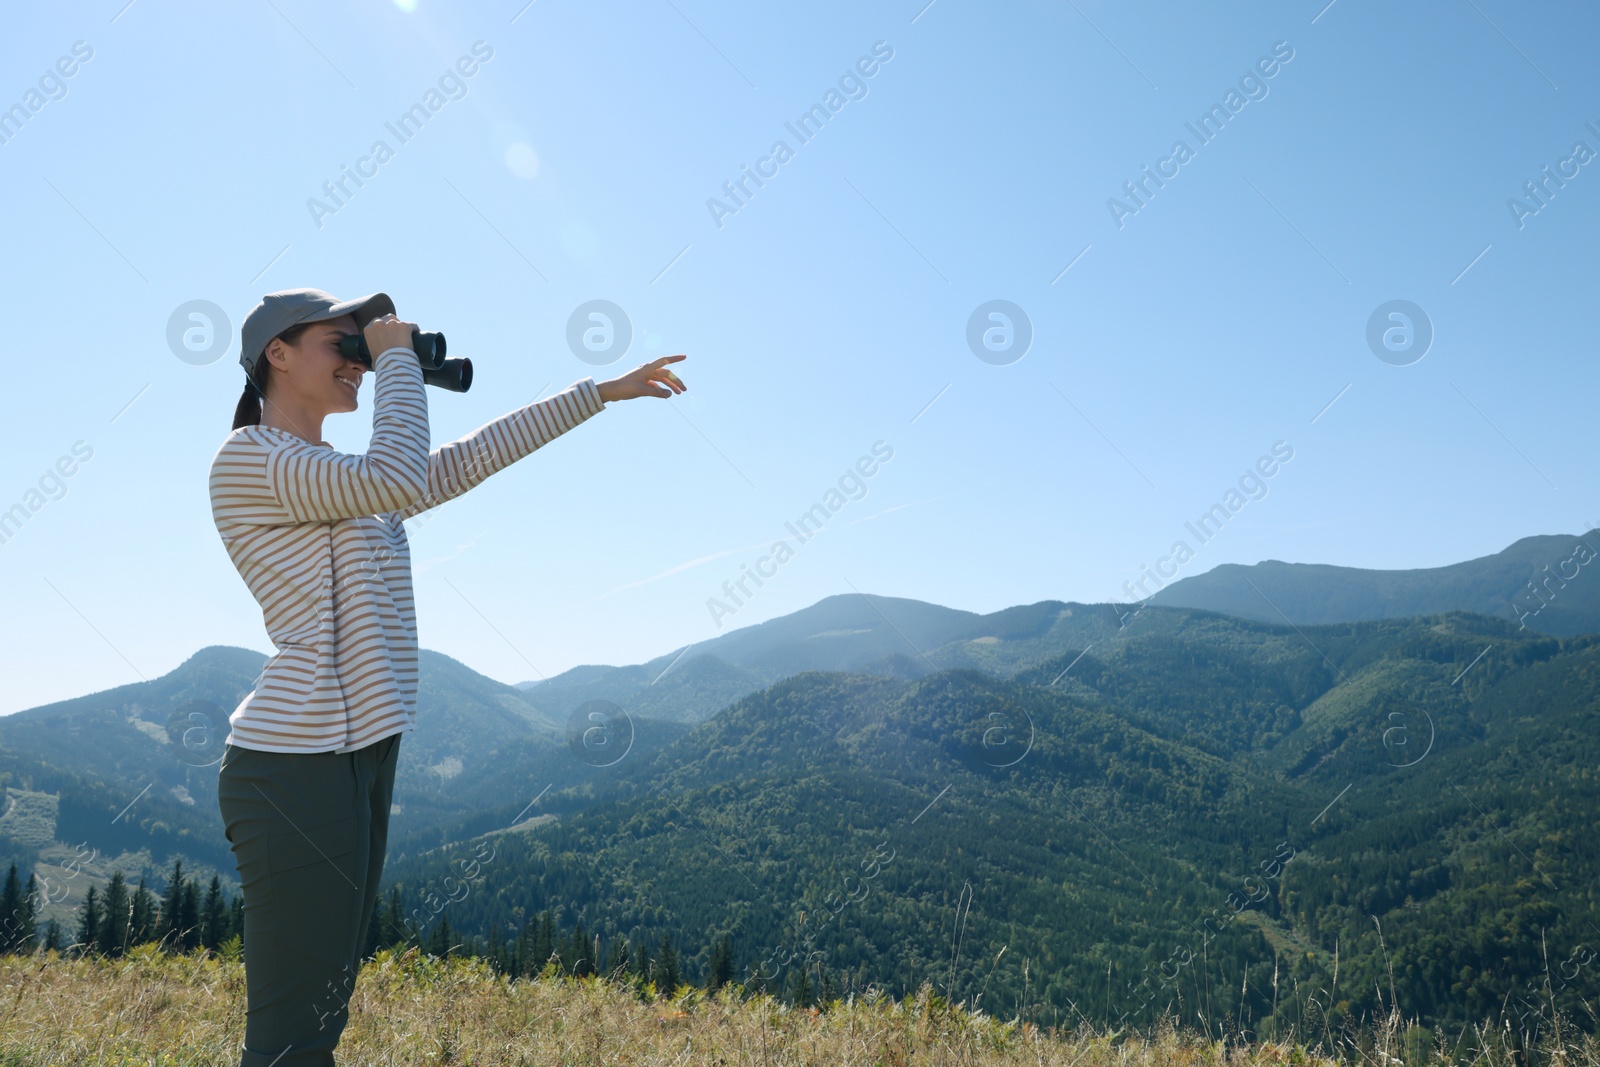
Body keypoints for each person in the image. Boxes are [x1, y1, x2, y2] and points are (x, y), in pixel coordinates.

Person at [208, 287, 685, 1065]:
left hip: (360, 756)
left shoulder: (335, 475)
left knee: (322, 1010)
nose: (358, 362)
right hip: (293, 769)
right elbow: (399, 473)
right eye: (344, 343)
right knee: (292, 1035)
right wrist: (396, 357)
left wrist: (598, 393)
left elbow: (462, 460)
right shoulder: (250, 460)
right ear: (278, 353)